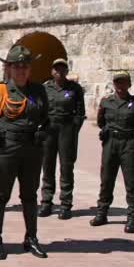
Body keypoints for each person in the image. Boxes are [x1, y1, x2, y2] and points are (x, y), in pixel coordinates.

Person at [0, 45, 49, 260]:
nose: (21, 71)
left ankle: (31, 238)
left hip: (32, 149)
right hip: (7, 149)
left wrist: (43, 131)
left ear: (30, 69)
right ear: (10, 69)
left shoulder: (39, 91)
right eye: (17, 67)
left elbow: (46, 117)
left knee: (30, 195)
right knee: (0, 195)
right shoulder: (0, 91)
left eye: (25, 66)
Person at [90, 70, 134, 233]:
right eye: (117, 82)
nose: (120, 85)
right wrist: (107, 131)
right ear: (114, 84)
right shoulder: (106, 101)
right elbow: (101, 121)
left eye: (123, 82)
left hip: (129, 144)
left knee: (131, 181)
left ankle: (132, 217)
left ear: (129, 84)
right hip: (111, 143)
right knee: (106, 178)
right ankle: (102, 213)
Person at [39, 59, 86, 220]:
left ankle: (66, 204)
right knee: (47, 165)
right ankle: (46, 202)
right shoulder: (45, 88)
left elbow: (80, 112)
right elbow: (41, 108)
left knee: (66, 167)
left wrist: (74, 128)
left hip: (66, 129)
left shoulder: (75, 88)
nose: (59, 72)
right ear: (52, 71)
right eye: (56, 69)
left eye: (62, 69)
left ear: (67, 71)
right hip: (49, 128)